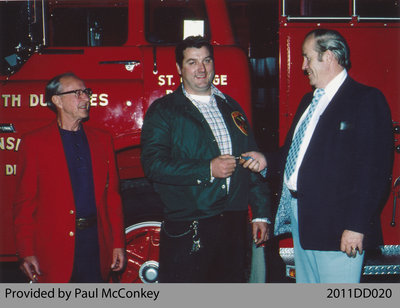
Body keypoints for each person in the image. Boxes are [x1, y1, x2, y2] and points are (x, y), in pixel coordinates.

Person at [242, 29, 393, 283]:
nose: (303, 66)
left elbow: (374, 172)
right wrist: (267, 160)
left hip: (339, 226)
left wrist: (356, 226)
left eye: (307, 58)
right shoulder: (307, 101)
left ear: (330, 57)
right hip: (304, 218)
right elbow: (293, 154)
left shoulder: (365, 100)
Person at [140, 36, 272, 283]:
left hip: (233, 224)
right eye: (192, 62)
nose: (201, 69)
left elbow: (251, 160)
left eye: (206, 61)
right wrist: (207, 169)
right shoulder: (164, 110)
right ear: (179, 69)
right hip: (190, 224)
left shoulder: (231, 106)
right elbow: (153, 165)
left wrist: (261, 215)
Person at [13, 72, 126, 283]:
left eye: (86, 92)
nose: (86, 98)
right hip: (54, 251)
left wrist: (118, 243)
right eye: (77, 93)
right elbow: (24, 203)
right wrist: (25, 251)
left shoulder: (102, 140)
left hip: (96, 245)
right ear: (57, 101)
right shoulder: (34, 143)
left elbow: (113, 198)